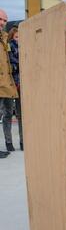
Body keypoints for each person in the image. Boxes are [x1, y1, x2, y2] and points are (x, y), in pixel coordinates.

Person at [0, 8, 18, 158]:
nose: (2, 23)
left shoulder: (5, 38)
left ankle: (8, 143)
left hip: (7, 84)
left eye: (5, 21)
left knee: (7, 114)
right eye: (0, 19)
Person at [6, 27, 22, 150]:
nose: (18, 39)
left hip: (21, 84)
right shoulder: (8, 47)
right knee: (7, 113)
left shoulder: (24, 46)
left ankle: (23, 142)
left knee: (21, 114)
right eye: (16, 37)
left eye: (20, 37)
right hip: (10, 84)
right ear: (12, 37)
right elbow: (10, 60)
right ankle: (9, 142)